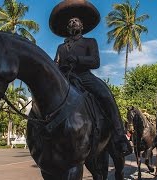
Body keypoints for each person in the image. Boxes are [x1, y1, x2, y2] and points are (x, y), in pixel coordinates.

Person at [49, 0, 131, 156]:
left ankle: (120, 137)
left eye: (76, 21)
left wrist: (78, 60)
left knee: (106, 96)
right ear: (68, 28)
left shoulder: (89, 42)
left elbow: (95, 62)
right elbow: (55, 64)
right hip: (66, 79)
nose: (73, 22)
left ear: (81, 26)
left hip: (85, 76)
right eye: (70, 22)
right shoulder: (61, 48)